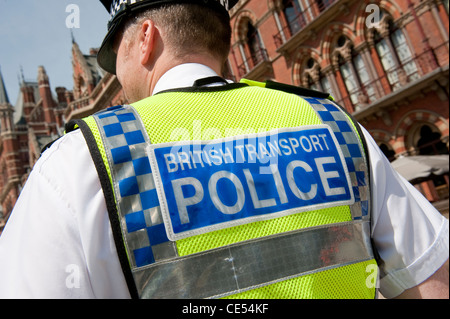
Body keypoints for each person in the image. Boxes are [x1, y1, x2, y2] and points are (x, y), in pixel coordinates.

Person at [0, 0, 448, 299]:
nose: (118, 74)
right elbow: (431, 282)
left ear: (146, 39)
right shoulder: (334, 124)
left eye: (115, 54)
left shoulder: (78, 162)